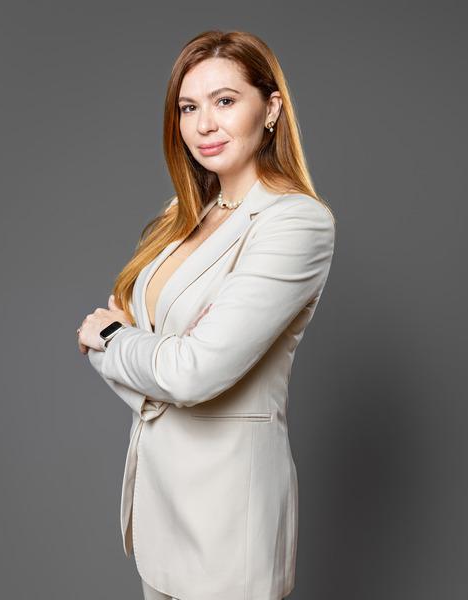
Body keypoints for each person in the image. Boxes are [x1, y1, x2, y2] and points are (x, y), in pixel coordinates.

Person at [77, 29, 336, 600]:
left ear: (270, 109)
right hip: (160, 513)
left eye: (225, 101)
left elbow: (191, 372)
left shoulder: (295, 223)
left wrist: (115, 339)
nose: (203, 125)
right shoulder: (184, 215)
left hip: (228, 526)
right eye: (188, 107)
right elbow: (156, 354)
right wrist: (142, 349)